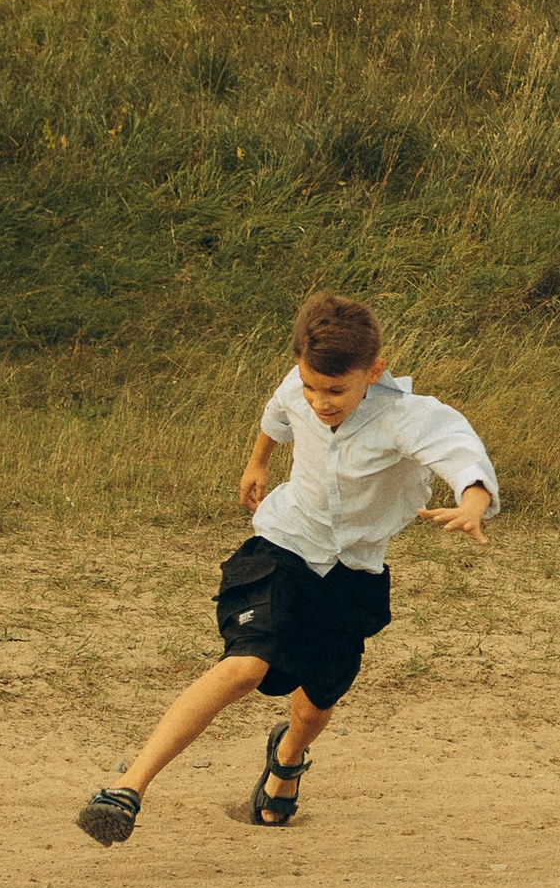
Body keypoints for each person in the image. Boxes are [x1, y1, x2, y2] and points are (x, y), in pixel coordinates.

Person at [74, 290, 496, 847]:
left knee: (317, 706)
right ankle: (127, 788)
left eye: (336, 390)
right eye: (311, 386)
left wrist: (472, 502)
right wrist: (257, 462)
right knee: (245, 664)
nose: (320, 402)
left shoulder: (410, 417)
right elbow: (277, 414)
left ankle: (286, 759)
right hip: (283, 543)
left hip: (353, 571)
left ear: (374, 371)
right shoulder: (301, 389)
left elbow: (461, 453)